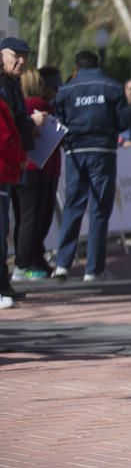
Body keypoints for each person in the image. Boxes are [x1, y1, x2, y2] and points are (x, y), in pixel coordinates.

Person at [52, 51, 131, 282]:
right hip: (103, 152)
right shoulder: (113, 87)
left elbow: (58, 121)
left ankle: (62, 265)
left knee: (73, 206)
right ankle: (93, 270)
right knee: (99, 209)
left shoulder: (65, 90)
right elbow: (124, 121)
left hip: (75, 152)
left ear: (76, 67)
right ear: (98, 65)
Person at [11, 69, 61, 280]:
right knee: (35, 218)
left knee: (24, 218)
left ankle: (29, 261)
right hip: (39, 169)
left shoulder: (22, 106)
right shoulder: (39, 106)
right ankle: (25, 264)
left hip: (25, 168)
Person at [0, 37, 34, 308]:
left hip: (10, 169)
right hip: (7, 165)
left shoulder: (13, 86)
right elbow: (5, 134)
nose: (21, 60)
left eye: (25, 56)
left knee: (5, 227)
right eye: (16, 55)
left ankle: (4, 284)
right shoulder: (3, 88)